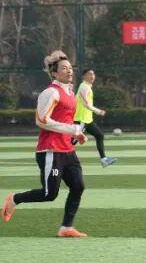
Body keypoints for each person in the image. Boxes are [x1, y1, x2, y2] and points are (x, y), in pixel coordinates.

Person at [3, 50, 89, 236]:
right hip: (51, 150)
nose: (69, 71)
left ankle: (66, 228)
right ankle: (14, 199)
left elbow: (65, 120)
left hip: (68, 149)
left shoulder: (69, 92)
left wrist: (77, 135)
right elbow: (42, 120)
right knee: (49, 194)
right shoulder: (51, 92)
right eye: (64, 68)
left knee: (78, 186)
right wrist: (72, 130)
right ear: (55, 73)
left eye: (70, 68)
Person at [74, 69, 117, 167]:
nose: (92, 76)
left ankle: (104, 160)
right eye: (89, 74)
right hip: (81, 120)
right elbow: (85, 104)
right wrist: (98, 111)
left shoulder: (87, 87)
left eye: (93, 74)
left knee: (99, 135)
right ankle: (56, 156)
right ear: (84, 76)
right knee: (71, 143)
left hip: (87, 120)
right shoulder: (84, 86)